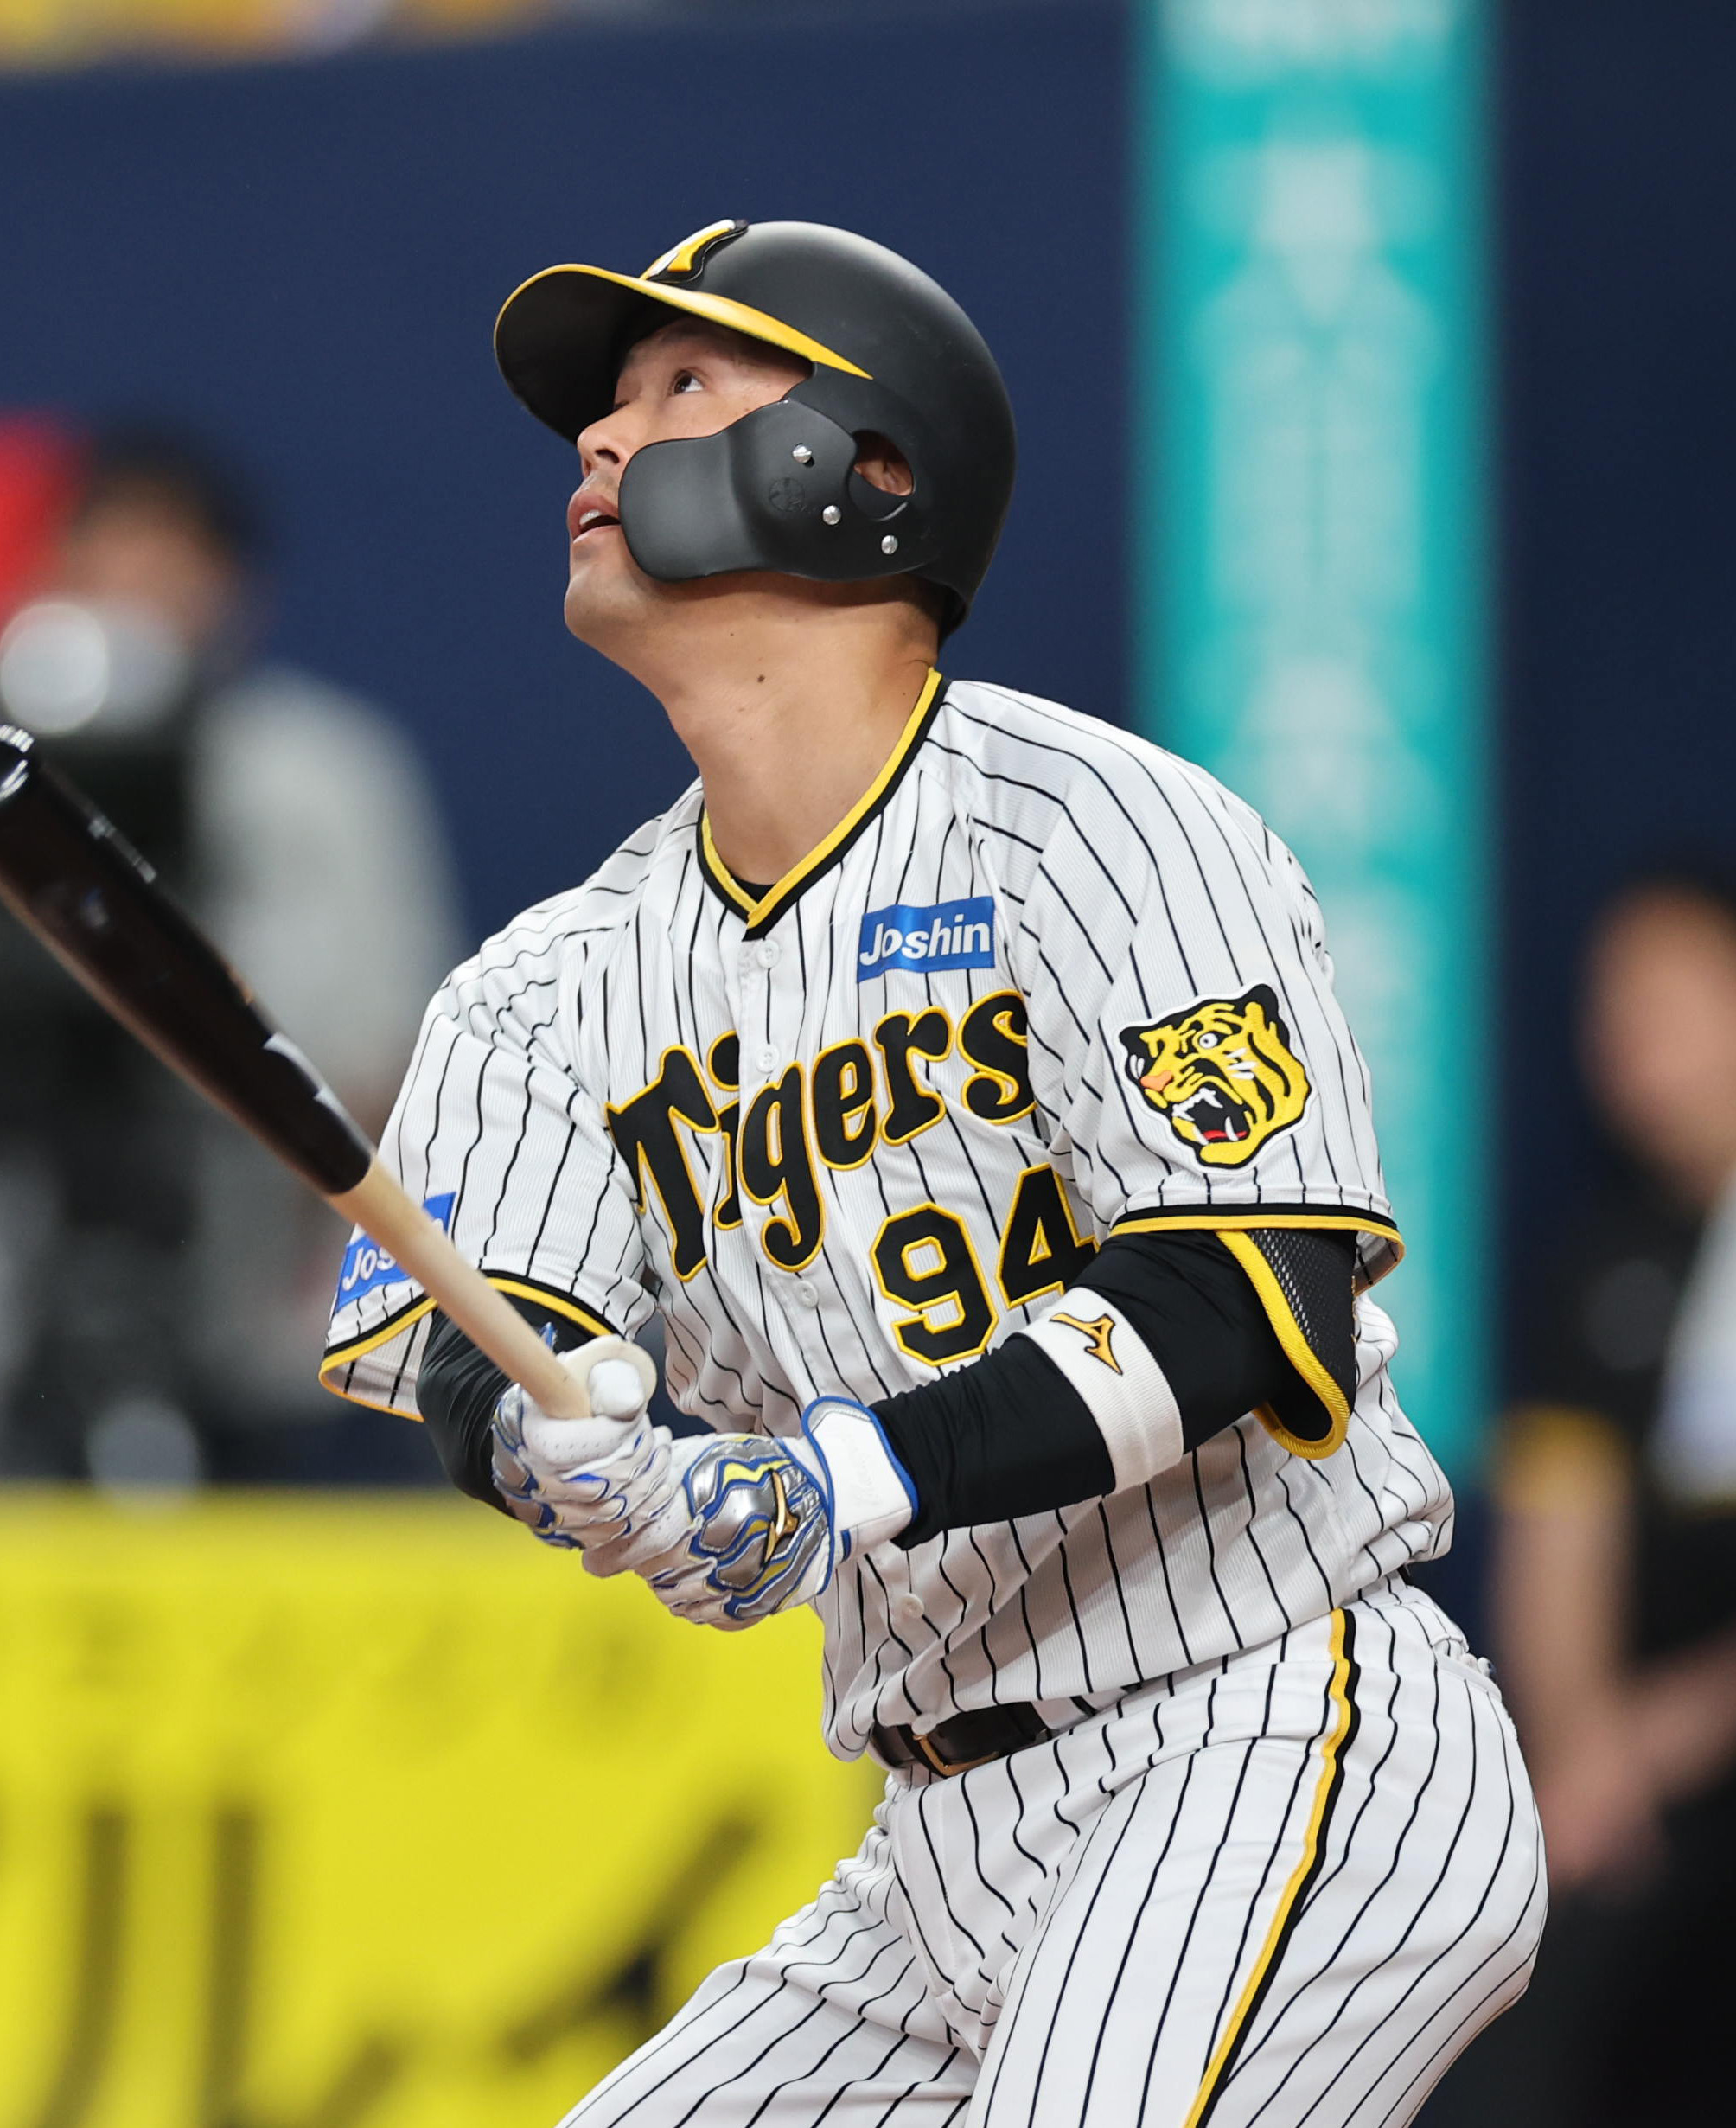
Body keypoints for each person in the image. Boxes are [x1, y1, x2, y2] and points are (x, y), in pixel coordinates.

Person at [321, 220, 1542, 2124]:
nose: (595, 444)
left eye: (676, 391)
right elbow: (487, 1342)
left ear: (864, 472)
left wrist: (827, 1477)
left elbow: (1241, 1288)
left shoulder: (1095, 826)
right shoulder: (548, 985)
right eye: (603, 407)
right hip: (931, 1850)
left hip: (1260, 1727)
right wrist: (564, 1455)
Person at [0, 425, 463, 1483]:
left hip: (256, 1299)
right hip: (0, 1302)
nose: (134, 590)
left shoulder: (321, 773)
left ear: (234, 590)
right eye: (104, 554)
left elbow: (392, 1051)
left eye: (170, 558)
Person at [1424, 875, 1736, 2125]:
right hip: (1646, 1798)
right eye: (1608, 1010)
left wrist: (1667, 1734)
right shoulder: (1605, 1270)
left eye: (1667, 994)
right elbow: (1560, 1540)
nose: (1628, 1039)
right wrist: (1584, 1747)